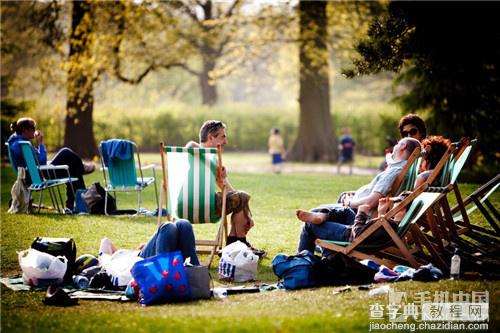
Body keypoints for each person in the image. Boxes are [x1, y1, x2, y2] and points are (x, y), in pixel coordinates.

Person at [295, 137, 421, 253]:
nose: (395, 145)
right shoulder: (405, 170)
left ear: (403, 146)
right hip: (363, 218)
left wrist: (349, 202)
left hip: (361, 218)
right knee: (334, 202)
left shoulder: (395, 171)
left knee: (310, 223)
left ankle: (304, 261)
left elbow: (370, 202)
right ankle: (327, 245)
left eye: (398, 143)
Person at [186, 120, 266, 257]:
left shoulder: (212, 159)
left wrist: (246, 210)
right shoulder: (191, 152)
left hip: (182, 209)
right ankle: (238, 244)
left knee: (241, 197)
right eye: (223, 137)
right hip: (202, 206)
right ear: (210, 137)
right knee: (241, 196)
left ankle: (236, 243)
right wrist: (214, 166)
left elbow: (230, 192)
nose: (226, 141)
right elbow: (190, 145)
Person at [7, 117, 95, 210]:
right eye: (33, 128)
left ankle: (72, 204)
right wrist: (41, 143)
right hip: (39, 175)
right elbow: (42, 162)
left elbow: (36, 162)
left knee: (72, 169)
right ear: (25, 130)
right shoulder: (22, 145)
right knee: (66, 152)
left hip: (33, 175)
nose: (35, 130)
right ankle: (81, 171)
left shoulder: (16, 142)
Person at [295, 194, 410, 247]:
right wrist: (381, 214)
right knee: (347, 212)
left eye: (396, 203)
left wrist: (361, 213)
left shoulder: (390, 224)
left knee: (310, 225)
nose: (393, 205)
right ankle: (322, 215)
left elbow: (359, 234)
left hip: (352, 237)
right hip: (358, 233)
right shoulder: (393, 224)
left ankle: (302, 261)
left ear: (403, 209)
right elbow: (374, 231)